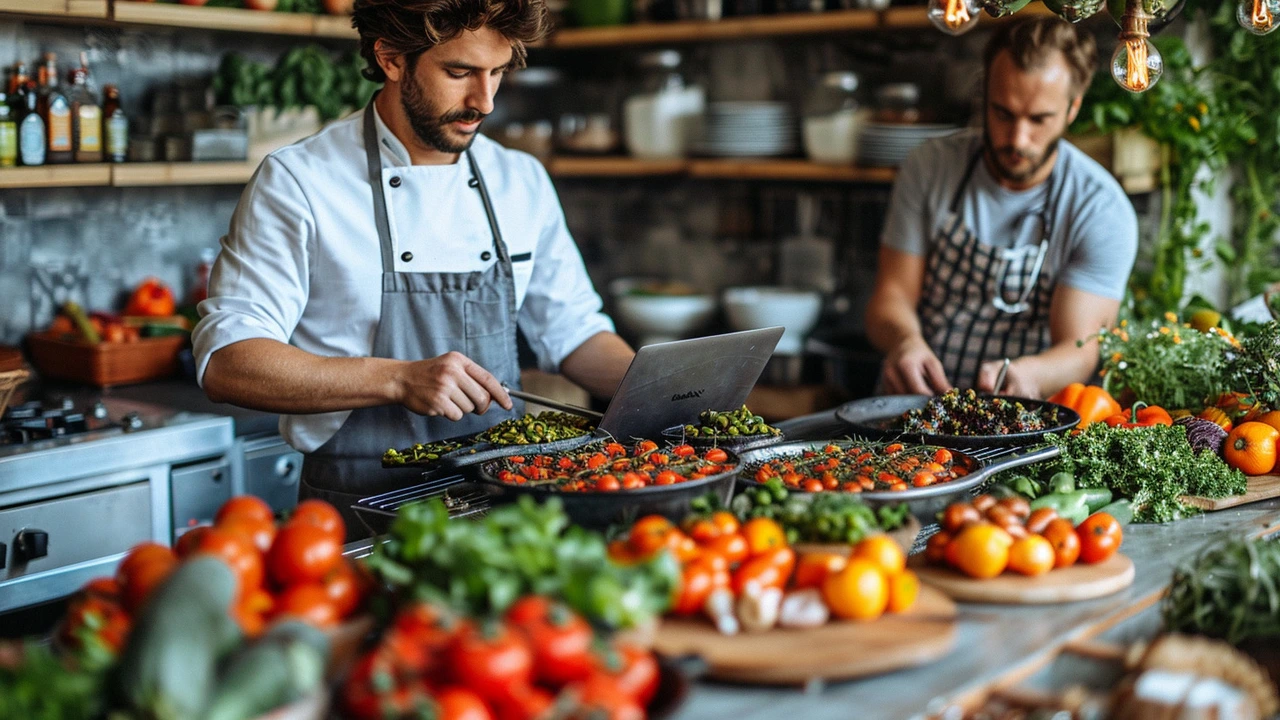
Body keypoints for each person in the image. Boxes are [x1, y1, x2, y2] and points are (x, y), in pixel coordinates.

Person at [192, 0, 635, 533]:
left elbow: (574, 332)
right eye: (459, 72)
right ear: (392, 58)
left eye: (496, 72)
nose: (485, 101)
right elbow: (227, 361)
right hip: (359, 512)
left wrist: (668, 390)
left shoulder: (521, 180)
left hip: (505, 507)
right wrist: (398, 379)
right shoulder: (299, 183)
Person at [866, 17, 1138, 400]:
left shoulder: (1100, 209)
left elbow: (1079, 350)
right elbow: (890, 298)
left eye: (1039, 119)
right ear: (986, 96)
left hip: (1022, 414)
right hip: (918, 400)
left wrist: (1030, 374)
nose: (1017, 139)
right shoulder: (930, 167)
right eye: (1003, 113)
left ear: (1073, 108)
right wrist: (905, 341)